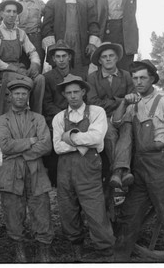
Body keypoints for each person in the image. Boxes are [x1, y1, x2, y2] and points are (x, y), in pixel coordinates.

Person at [112, 60, 164, 262]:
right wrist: (124, 103)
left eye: (143, 77)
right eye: (135, 78)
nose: (138, 82)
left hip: (161, 166)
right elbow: (117, 123)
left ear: (152, 78)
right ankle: (119, 258)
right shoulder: (133, 104)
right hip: (139, 167)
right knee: (129, 214)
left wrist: (158, 143)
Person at [52, 74, 115, 261]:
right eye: (69, 92)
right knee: (68, 210)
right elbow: (57, 147)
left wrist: (69, 137)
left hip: (89, 170)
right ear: (64, 94)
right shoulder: (58, 118)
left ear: (83, 92)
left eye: (76, 92)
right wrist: (83, 141)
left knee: (95, 211)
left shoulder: (96, 112)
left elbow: (97, 138)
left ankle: (105, 252)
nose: (73, 96)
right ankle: (76, 249)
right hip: (65, 171)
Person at [0, 77, 53, 263]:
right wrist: (29, 141)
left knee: (41, 210)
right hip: (11, 172)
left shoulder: (38, 118)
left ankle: (43, 250)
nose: (20, 97)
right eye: (16, 93)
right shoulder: (2, 120)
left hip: (36, 170)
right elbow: (5, 146)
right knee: (13, 211)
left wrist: (20, 152)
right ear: (10, 96)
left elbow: (46, 145)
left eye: (24, 93)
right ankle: (19, 250)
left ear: (28, 96)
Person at [87, 42, 135, 189]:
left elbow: (134, 97)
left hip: (124, 115)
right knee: (109, 133)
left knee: (127, 132)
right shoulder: (92, 78)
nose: (108, 59)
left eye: (111, 56)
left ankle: (117, 172)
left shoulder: (126, 76)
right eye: (104, 57)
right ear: (100, 60)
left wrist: (124, 103)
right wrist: (121, 101)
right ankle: (123, 171)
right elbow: (93, 102)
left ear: (117, 58)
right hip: (103, 116)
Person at [41, 0, 100, 76]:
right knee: (60, 75)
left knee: (80, 75)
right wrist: (54, 47)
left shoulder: (87, 3)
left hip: (81, 44)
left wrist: (92, 43)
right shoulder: (53, 4)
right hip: (61, 43)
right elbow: (47, 27)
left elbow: (94, 25)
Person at [0, 0, 45, 117]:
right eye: (8, 11)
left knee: (40, 79)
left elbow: (33, 51)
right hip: (4, 71)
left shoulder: (20, 33)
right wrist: (14, 69)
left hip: (19, 70)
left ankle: (35, 116)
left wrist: (35, 64)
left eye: (14, 12)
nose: (12, 15)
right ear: (1, 13)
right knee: (28, 81)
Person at [42, 40, 80, 186]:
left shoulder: (78, 76)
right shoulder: (48, 77)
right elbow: (47, 104)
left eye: (64, 56)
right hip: (56, 118)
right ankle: (57, 182)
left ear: (70, 57)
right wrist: (64, 115)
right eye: (58, 57)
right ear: (53, 59)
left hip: (78, 116)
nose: (61, 60)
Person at [92, 0, 138, 71]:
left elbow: (132, 13)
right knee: (107, 64)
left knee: (126, 67)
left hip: (125, 32)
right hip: (107, 31)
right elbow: (95, 18)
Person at [0, 0, 46, 66]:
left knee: (36, 62)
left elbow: (48, 19)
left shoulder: (40, 4)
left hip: (35, 38)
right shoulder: (15, 5)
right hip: (19, 39)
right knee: (22, 63)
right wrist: (5, 32)